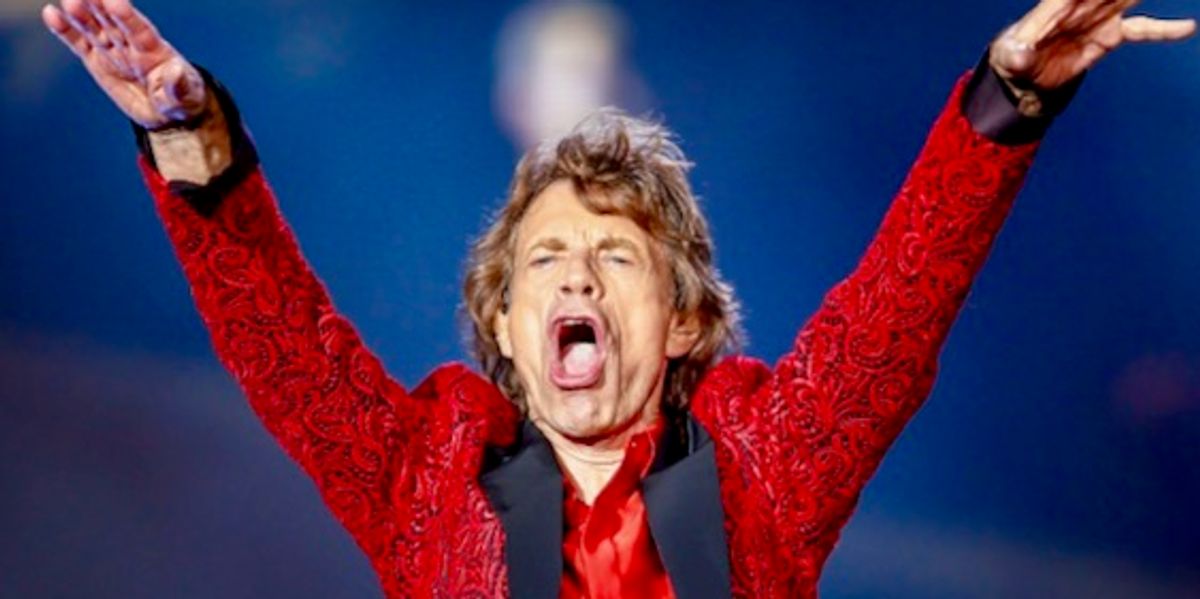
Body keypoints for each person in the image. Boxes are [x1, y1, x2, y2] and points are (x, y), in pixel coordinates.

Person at [41, 0, 1194, 597]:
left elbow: (902, 297)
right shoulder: (427, 474)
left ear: (684, 319)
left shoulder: (766, 463)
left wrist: (1007, 97)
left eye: (619, 255)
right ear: (503, 324)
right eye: (545, 257)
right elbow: (280, 335)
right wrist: (187, 133)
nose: (580, 272)